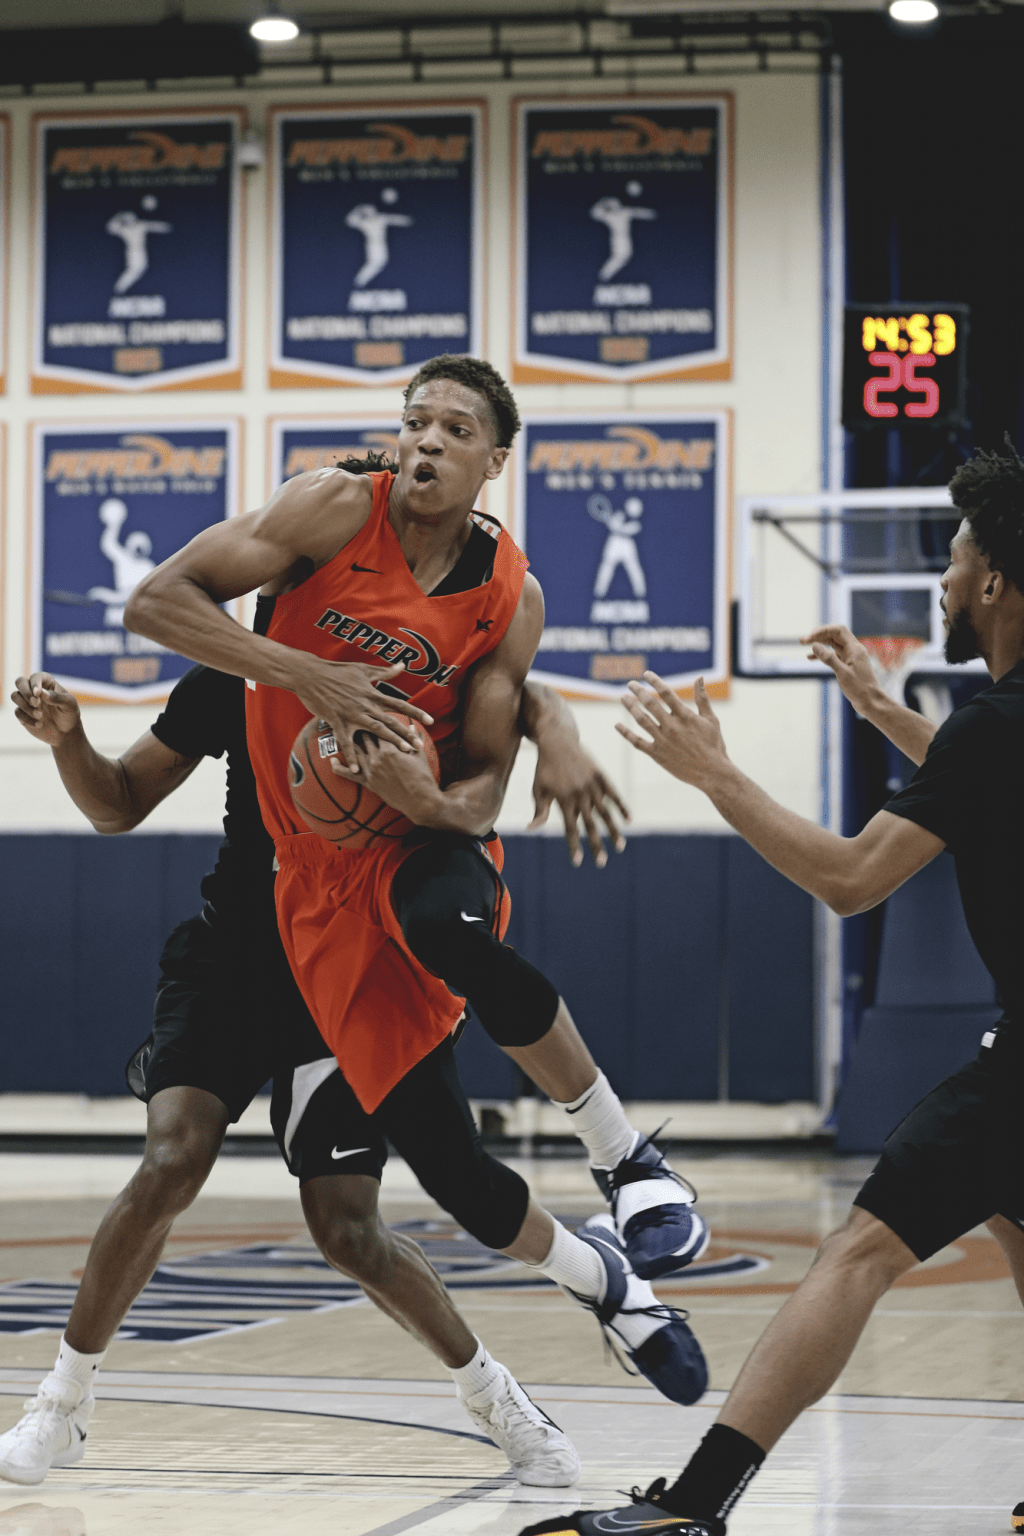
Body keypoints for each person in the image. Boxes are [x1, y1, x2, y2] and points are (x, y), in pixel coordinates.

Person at [122, 356, 711, 1415]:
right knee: (454, 1176)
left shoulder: (505, 592)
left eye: (452, 428)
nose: (426, 441)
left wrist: (516, 749)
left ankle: (626, 1160)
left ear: (495, 458)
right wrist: (306, 673)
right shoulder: (333, 507)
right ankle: (607, 1284)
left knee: (449, 925)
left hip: (423, 845)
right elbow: (153, 600)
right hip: (313, 886)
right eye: (413, 422)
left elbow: (480, 794)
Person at [517, 444, 1024, 1536]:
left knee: (860, 1251)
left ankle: (691, 1510)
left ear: (990, 583)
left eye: (953, 557)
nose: (940, 581)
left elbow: (849, 881)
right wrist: (879, 708)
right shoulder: (1000, 725)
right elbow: (981, 778)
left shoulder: (996, 724)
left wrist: (716, 775)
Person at [1, 662, 622, 1491]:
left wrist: (556, 740)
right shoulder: (231, 678)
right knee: (171, 1160)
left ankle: (496, 1395)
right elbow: (117, 803)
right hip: (232, 961)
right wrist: (70, 741)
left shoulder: (405, 671)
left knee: (347, 1231)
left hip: (345, 967)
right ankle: (62, 1402)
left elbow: (515, 691)